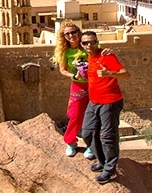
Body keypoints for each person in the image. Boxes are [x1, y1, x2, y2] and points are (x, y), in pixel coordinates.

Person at [80, 31, 130, 185]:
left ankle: (110, 170)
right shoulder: (86, 57)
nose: (89, 45)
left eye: (92, 42)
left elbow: (126, 74)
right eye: (86, 43)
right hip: (94, 102)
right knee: (87, 132)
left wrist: (109, 73)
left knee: (108, 136)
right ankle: (102, 161)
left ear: (97, 42)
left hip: (110, 102)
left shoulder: (107, 56)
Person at [51, 20, 93, 159]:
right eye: (67, 34)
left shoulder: (87, 45)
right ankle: (71, 142)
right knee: (75, 114)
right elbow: (63, 70)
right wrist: (73, 74)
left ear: (78, 32)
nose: (70, 36)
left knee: (95, 115)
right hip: (78, 85)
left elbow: (100, 54)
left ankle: (92, 144)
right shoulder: (65, 52)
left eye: (73, 32)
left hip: (94, 84)